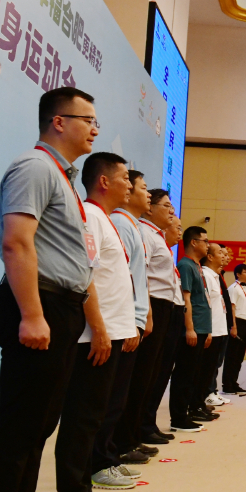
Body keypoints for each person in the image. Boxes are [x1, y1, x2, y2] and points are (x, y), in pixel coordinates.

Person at [0, 87, 101, 492]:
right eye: (87, 120)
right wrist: (32, 314)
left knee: (39, 423)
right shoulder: (34, 168)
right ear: (58, 122)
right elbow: (16, 243)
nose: (94, 129)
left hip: (60, 306)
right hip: (38, 303)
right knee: (19, 423)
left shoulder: (60, 176)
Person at [54, 152, 139, 492]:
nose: (129, 185)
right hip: (96, 335)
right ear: (104, 181)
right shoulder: (89, 215)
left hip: (112, 331)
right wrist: (99, 329)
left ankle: (92, 473)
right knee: (84, 413)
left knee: (100, 409)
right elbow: (83, 275)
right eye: (124, 178)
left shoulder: (104, 219)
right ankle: (75, 490)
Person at [99, 170, 153, 472]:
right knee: (110, 399)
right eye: (140, 187)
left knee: (121, 395)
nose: (144, 192)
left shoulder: (129, 225)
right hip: (121, 320)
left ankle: (113, 452)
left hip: (131, 319)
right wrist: (131, 319)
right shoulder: (120, 223)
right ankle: (107, 456)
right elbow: (120, 278)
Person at [133, 189, 180, 446]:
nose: (172, 211)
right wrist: (148, 311)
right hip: (153, 305)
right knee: (145, 372)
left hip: (165, 307)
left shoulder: (157, 236)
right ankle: (137, 429)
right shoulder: (144, 232)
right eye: (166, 206)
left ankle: (146, 423)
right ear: (150, 208)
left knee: (156, 372)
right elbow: (142, 274)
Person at [172, 226, 212, 432]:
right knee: (184, 374)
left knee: (194, 374)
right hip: (193, 327)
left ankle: (187, 412)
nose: (208, 245)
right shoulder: (185, 265)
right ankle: (178, 417)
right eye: (205, 241)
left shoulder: (197, 266)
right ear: (194, 242)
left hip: (202, 328)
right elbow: (185, 298)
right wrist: (189, 328)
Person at [199, 244, 231, 409]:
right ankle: (203, 398)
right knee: (205, 369)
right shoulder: (205, 274)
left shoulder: (216, 276)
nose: (225, 256)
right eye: (220, 253)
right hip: (211, 330)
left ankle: (208, 394)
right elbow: (204, 305)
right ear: (210, 257)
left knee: (213, 366)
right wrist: (208, 330)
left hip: (220, 329)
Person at [224, 264, 246, 394]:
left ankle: (234, 382)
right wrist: (233, 326)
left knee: (239, 356)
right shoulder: (233, 288)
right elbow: (232, 308)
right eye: (245, 272)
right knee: (232, 355)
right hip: (237, 322)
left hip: (245, 323)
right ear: (238, 274)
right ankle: (227, 384)